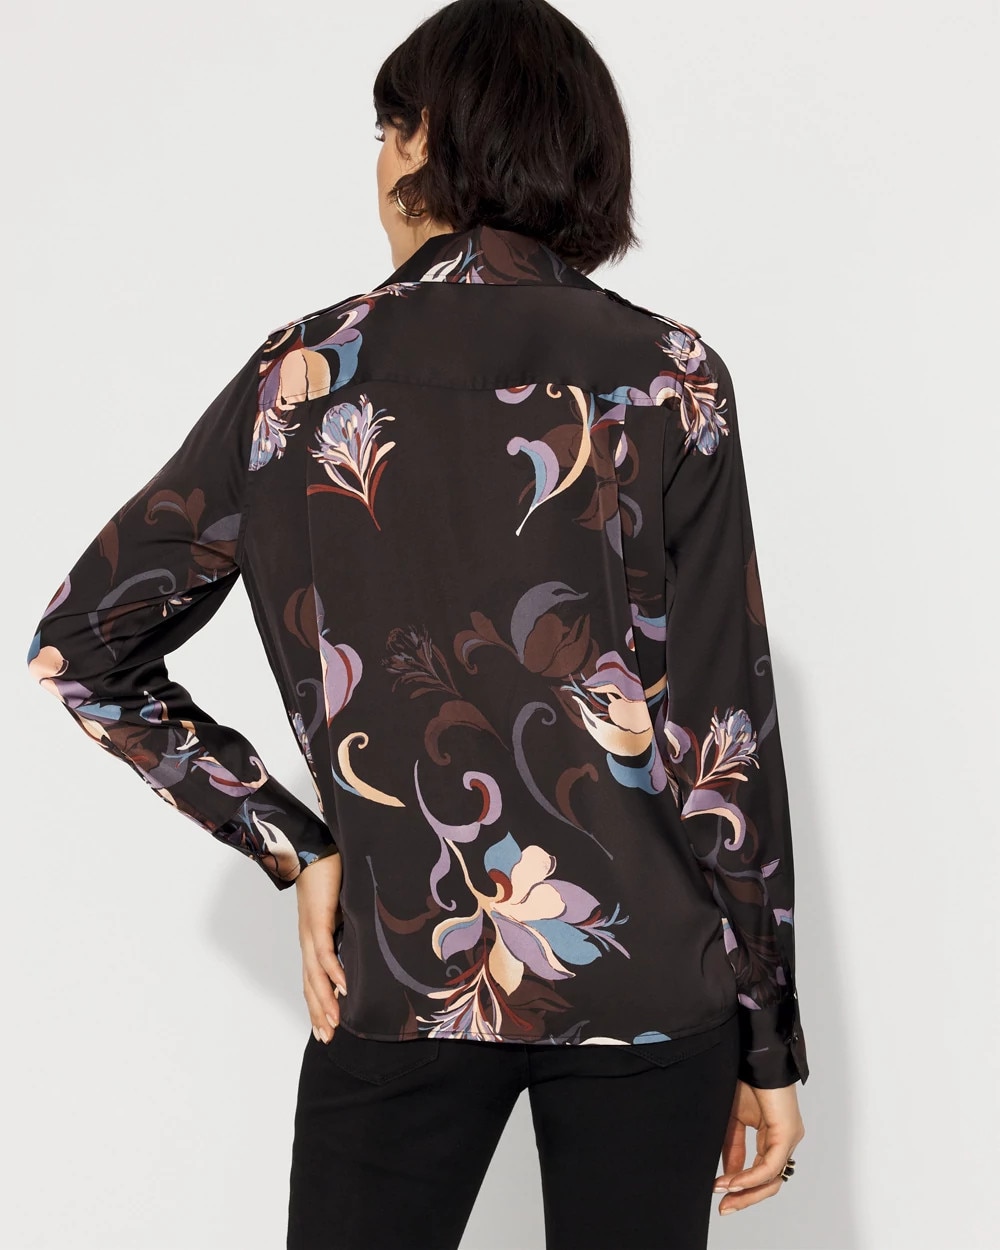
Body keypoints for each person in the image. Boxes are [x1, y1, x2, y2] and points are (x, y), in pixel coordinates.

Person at [25, 1, 809, 1246]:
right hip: (653, 984)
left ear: (422, 140)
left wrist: (294, 841)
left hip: (403, 964)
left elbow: (83, 649)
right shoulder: (671, 377)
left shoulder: (300, 380)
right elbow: (726, 735)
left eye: (386, 128)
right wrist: (767, 1036)